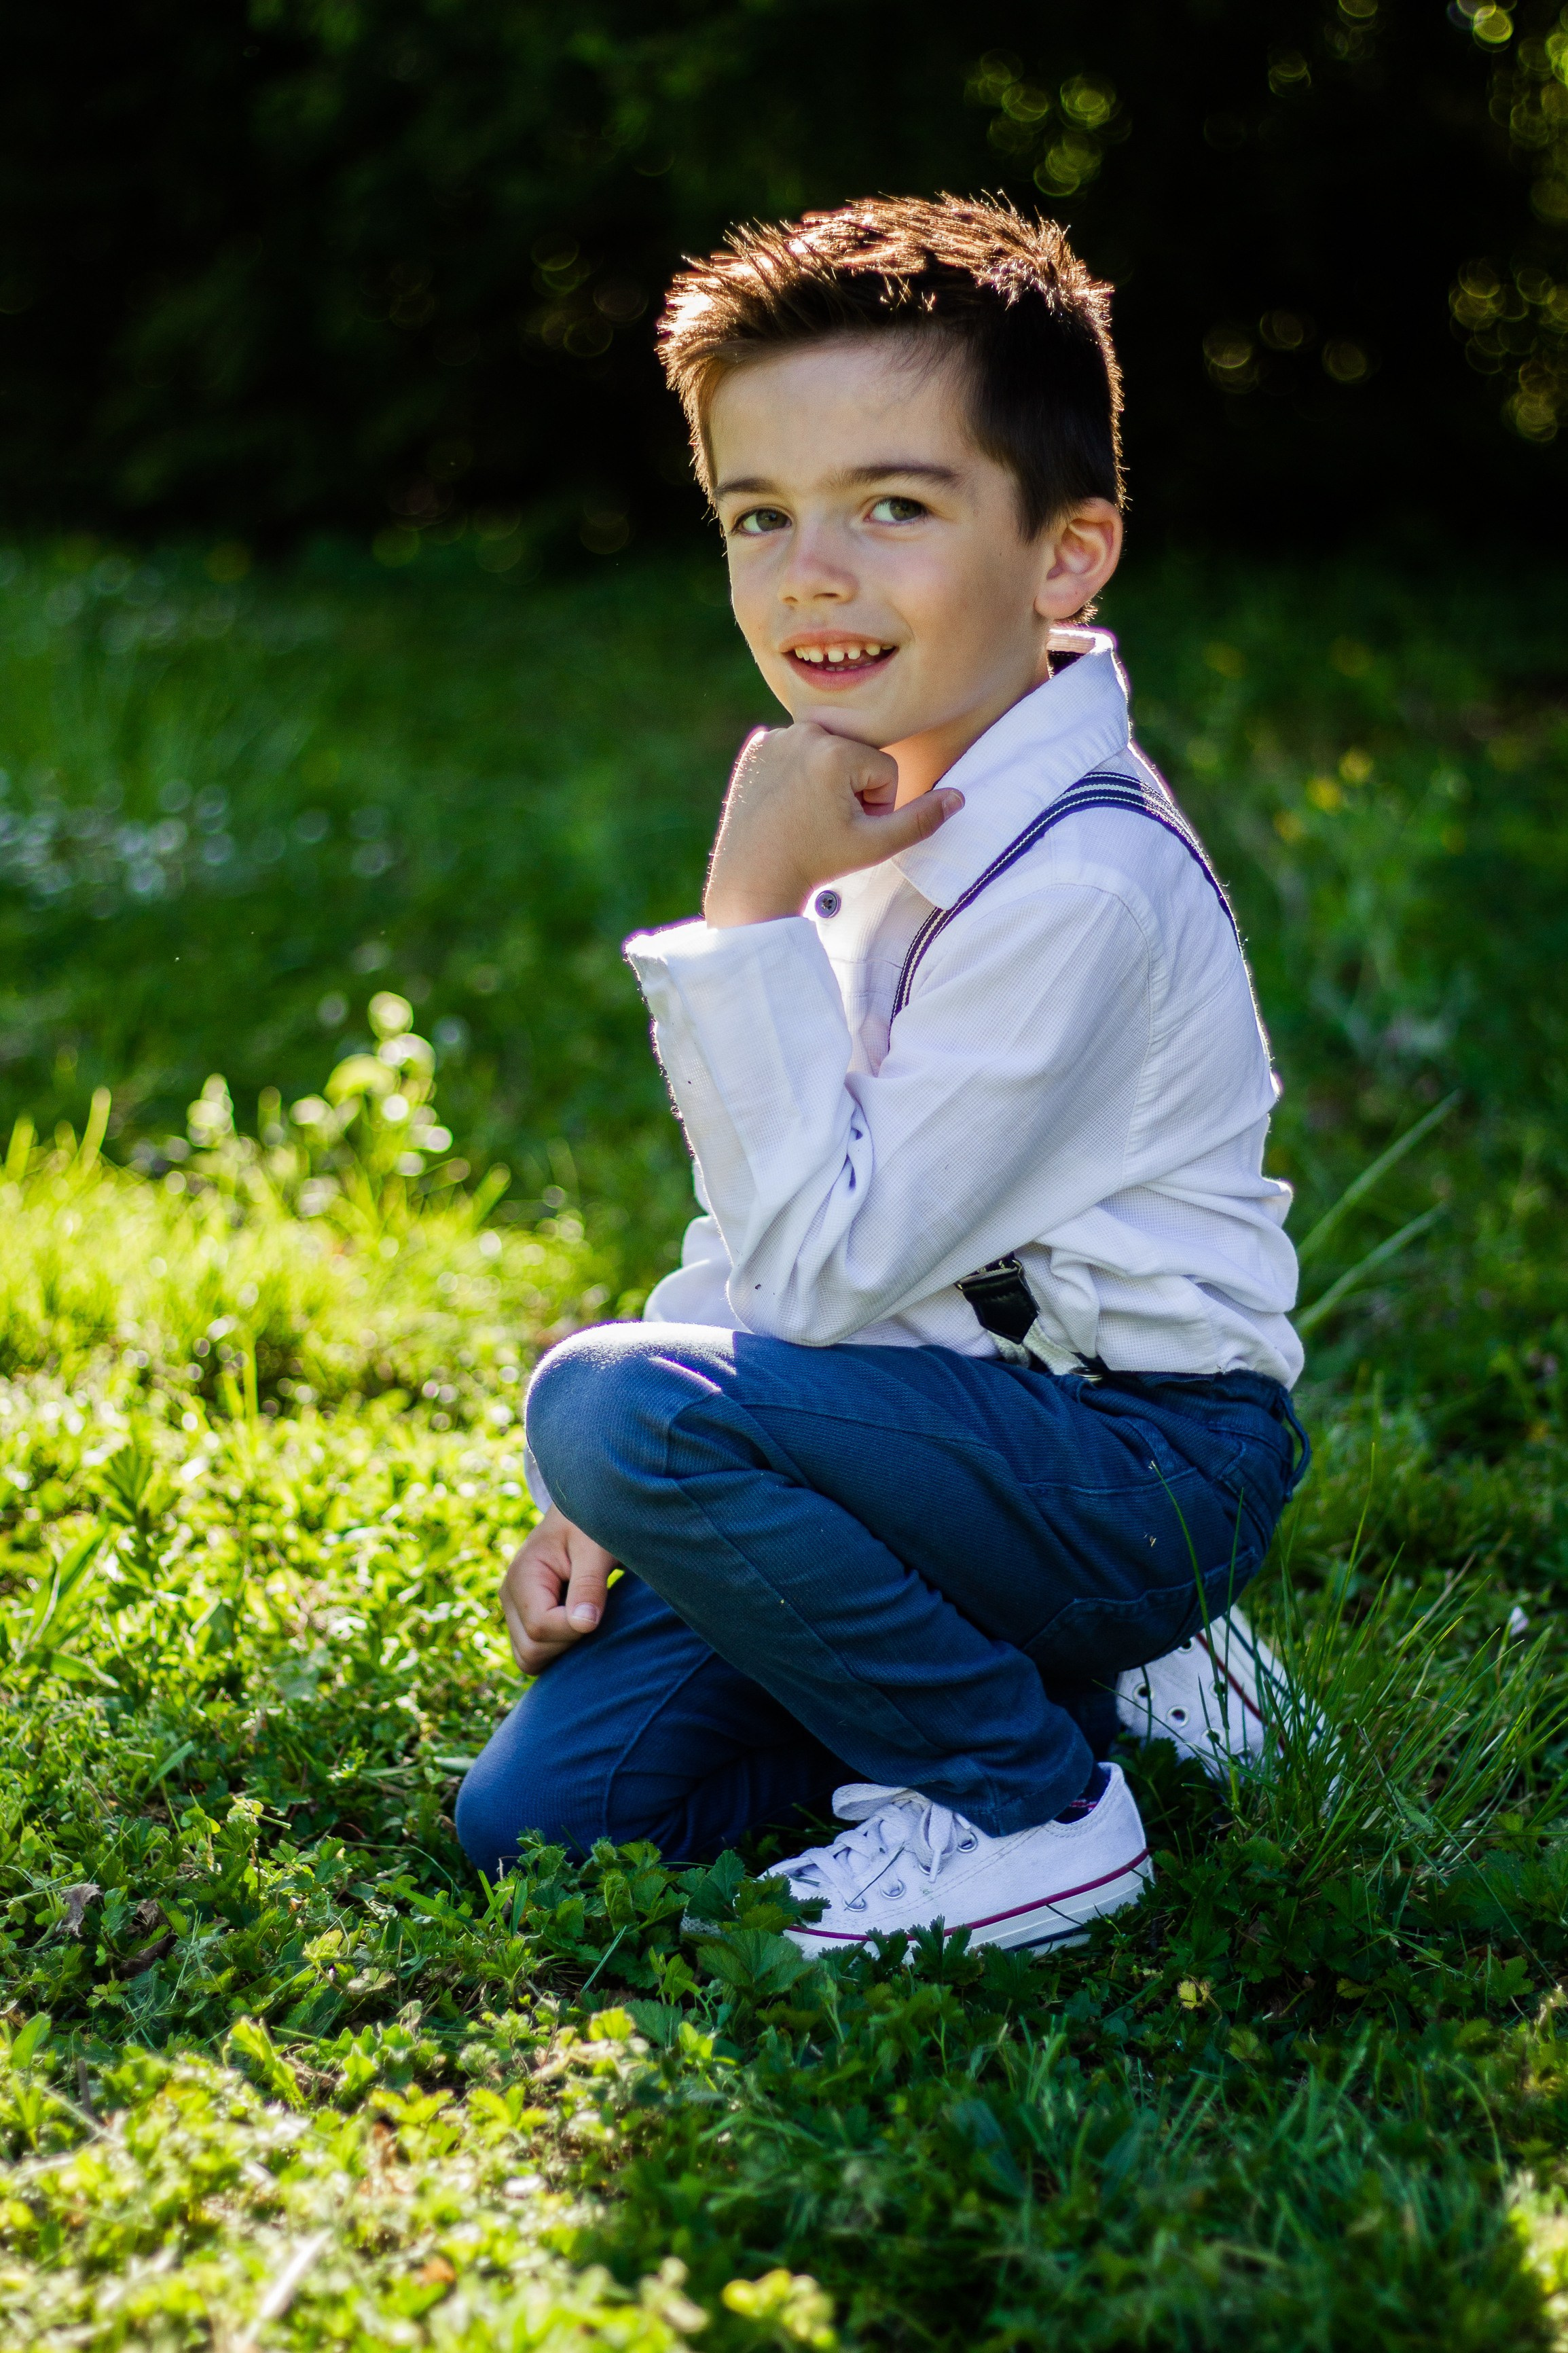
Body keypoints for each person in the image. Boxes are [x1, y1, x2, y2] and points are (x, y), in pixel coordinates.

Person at [456, 196, 1310, 1954]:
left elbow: (830, 1262)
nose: (811, 574)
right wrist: (599, 1505)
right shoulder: (896, 791)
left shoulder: (1078, 879)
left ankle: (1031, 1802)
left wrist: (745, 919)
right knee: (548, 1819)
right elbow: (771, 1215)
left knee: (612, 1401)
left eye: (894, 508)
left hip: (1136, 1459)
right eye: (758, 515)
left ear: (1067, 556)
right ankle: (1081, 1674)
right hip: (916, 1432)